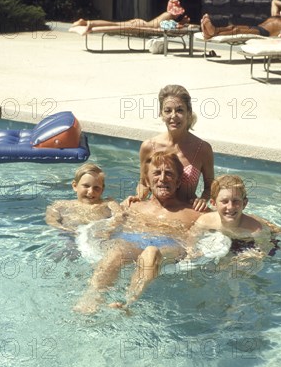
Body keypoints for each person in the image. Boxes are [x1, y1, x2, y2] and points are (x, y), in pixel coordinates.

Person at [75, 151, 204, 313]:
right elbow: (102, 217)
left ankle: (127, 303)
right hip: (131, 242)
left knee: (150, 253)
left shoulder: (194, 212)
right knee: (116, 251)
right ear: (147, 181)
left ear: (178, 182)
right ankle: (91, 298)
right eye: (156, 173)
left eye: (169, 174)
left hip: (170, 246)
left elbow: (231, 219)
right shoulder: (132, 206)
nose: (162, 178)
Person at [134, 84, 214, 212]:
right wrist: (138, 197)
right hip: (156, 212)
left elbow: (210, 187)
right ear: (161, 114)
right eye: (168, 110)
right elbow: (144, 183)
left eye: (179, 110)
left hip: (187, 214)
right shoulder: (148, 147)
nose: (173, 116)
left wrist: (203, 200)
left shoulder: (202, 149)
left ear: (188, 113)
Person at [192, 174, 281, 257]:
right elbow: (190, 239)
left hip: (247, 241)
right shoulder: (204, 222)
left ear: (244, 204)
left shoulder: (254, 230)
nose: (230, 207)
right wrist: (192, 252)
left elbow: (265, 250)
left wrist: (249, 256)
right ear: (213, 203)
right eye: (224, 201)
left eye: (236, 201)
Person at [45, 163, 122, 233]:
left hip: (100, 236)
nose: (91, 192)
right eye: (86, 186)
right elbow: (51, 220)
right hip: (70, 235)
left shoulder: (108, 203)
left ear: (102, 190)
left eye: (96, 188)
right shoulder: (61, 205)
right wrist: (65, 230)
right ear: (75, 186)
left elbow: (120, 216)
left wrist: (110, 229)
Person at [200, 0, 281, 40]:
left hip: (264, 33)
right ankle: (213, 31)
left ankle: (212, 31)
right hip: (258, 28)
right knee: (234, 27)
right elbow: (274, 1)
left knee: (237, 31)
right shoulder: (276, 15)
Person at [71, 0, 190, 35]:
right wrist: (183, 22)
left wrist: (182, 22)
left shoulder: (166, 14)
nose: (180, 15)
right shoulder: (169, 17)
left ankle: (85, 22)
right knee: (114, 25)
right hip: (142, 25)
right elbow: (171, 27)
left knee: (114, 24)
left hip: (140, 22)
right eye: (179, 14)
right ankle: (89, 23)